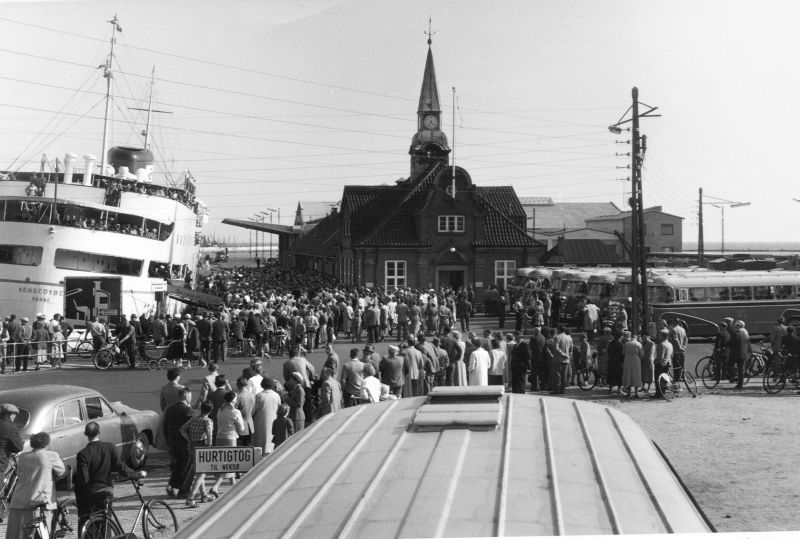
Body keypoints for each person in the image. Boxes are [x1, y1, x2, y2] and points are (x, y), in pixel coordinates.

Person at [74, 422, 146, 527]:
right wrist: (136, 475)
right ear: (99, 432)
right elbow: (120, 467)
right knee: (106, 521)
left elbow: (84, 478)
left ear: (85, 434)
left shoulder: (83, 454)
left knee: (91, 523)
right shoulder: (109, 447)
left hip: (91, 493)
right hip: (106, 490)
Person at [4, 432, 66, 539]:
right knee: (41, 534)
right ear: (46, 443)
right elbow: (61, 472)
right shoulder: (51, 456)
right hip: (39, 502)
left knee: (16, 535)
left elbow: (18, 473)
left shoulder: (23, 457)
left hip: (18, 501)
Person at [210, 391, 245, 495]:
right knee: (229, 464)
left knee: (224, 463)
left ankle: (234, 487)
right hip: (230, 439)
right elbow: (242, 429)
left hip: (219, 438)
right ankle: (215, 487)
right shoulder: (235, 412)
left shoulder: (220, 410)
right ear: (234, 400)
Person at [180, 400, 214, 507]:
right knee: (201, 473)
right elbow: (209, 434)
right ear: (211, 410)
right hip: (202, 447)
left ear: (201, 409)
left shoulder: (194, 418)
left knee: (199, 471)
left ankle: (204, 495)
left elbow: (182, 429)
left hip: (191, 446)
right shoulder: (208, 421)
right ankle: (191, 498)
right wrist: (209, 446)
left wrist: (189, 439)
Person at [163, 388, 194, 498]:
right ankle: (183, 490)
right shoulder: (189, 410)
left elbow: (165, 427)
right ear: (186, 397)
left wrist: (168, 442)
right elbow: (190, 429)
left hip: (173, 443)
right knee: (186, 466)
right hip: (185, 443)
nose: (191, 398)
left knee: (177, 465)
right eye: (190, 396)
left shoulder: (170, 409)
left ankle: (172, 485)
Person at [252, 377, 281, 454]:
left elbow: (253, 410)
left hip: (260, 421)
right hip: (273, 421)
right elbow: (279, 407)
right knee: (270, 441)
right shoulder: (276, 395)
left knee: (259, 441)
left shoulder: (259, 396)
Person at [0, 404, 23, 478]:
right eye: (15, 415)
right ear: (10, 415)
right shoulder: (11, 427)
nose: (15, 417)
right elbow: (19, 448)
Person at [621, 331, 644, 399]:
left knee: (628, 375)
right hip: (636, 361)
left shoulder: (626, 343)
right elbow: (642, 354)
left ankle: (628, 392)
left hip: (627, 360)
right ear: (636, 338)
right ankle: (636, 393)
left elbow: (623, 352)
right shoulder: (638, 344)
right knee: (636, 375)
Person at [730, 320, 751, 389]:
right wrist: (749, 350)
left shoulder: (737, 333)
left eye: (734, 327)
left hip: (737, 353)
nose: (733, 328)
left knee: (729, 364)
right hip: (744, 353)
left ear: (737, 327)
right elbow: (748, 341)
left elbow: (732, 343)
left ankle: (734, 377)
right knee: (741, 369)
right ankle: (740, 383)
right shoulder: (745, 332)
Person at [606, 330, 625, 395]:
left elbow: (608, 351)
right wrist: (622, 362)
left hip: (611, 362)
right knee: (619, 376)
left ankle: (610, 389)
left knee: (611, 375)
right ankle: (618, 391)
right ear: (620, 337)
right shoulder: (620, 344)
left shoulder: (611, 343)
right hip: (618, 362)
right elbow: (622, 354)